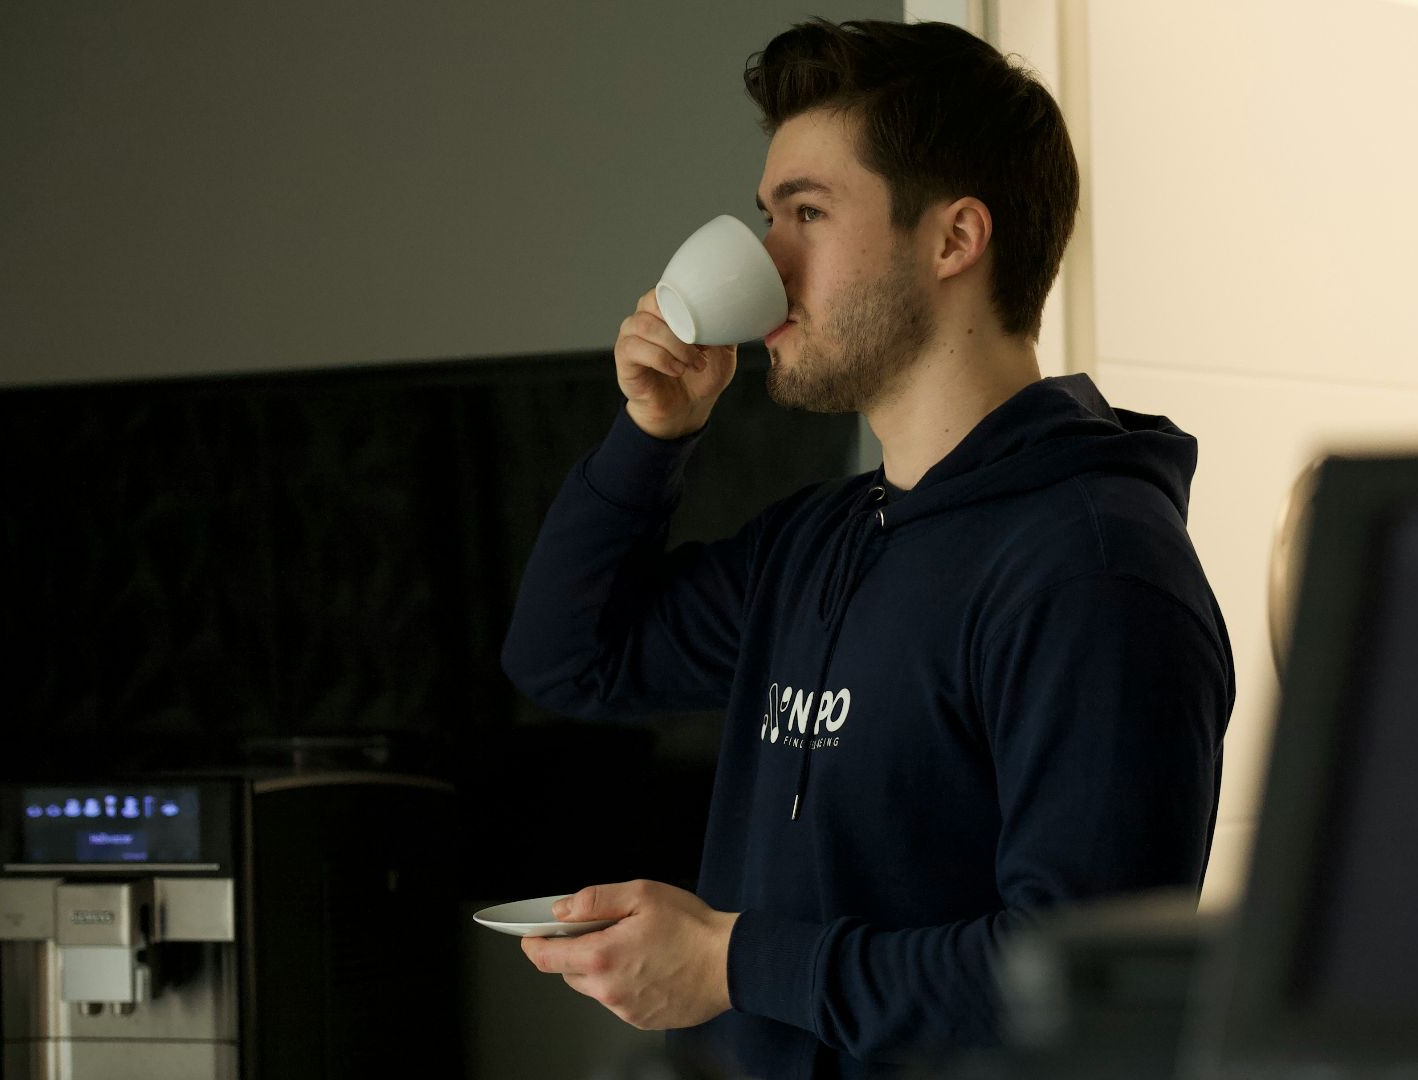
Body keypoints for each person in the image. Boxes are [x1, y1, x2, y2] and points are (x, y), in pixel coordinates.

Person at [502, 16, 1234, 1080]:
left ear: (954, 239)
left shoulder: (1096, 573)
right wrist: (653, 434)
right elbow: (568, 657)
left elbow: (1087, 988)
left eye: (807, 211)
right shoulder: (821, 542)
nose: (765, 260)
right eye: (767, 216)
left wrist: (736, 964)